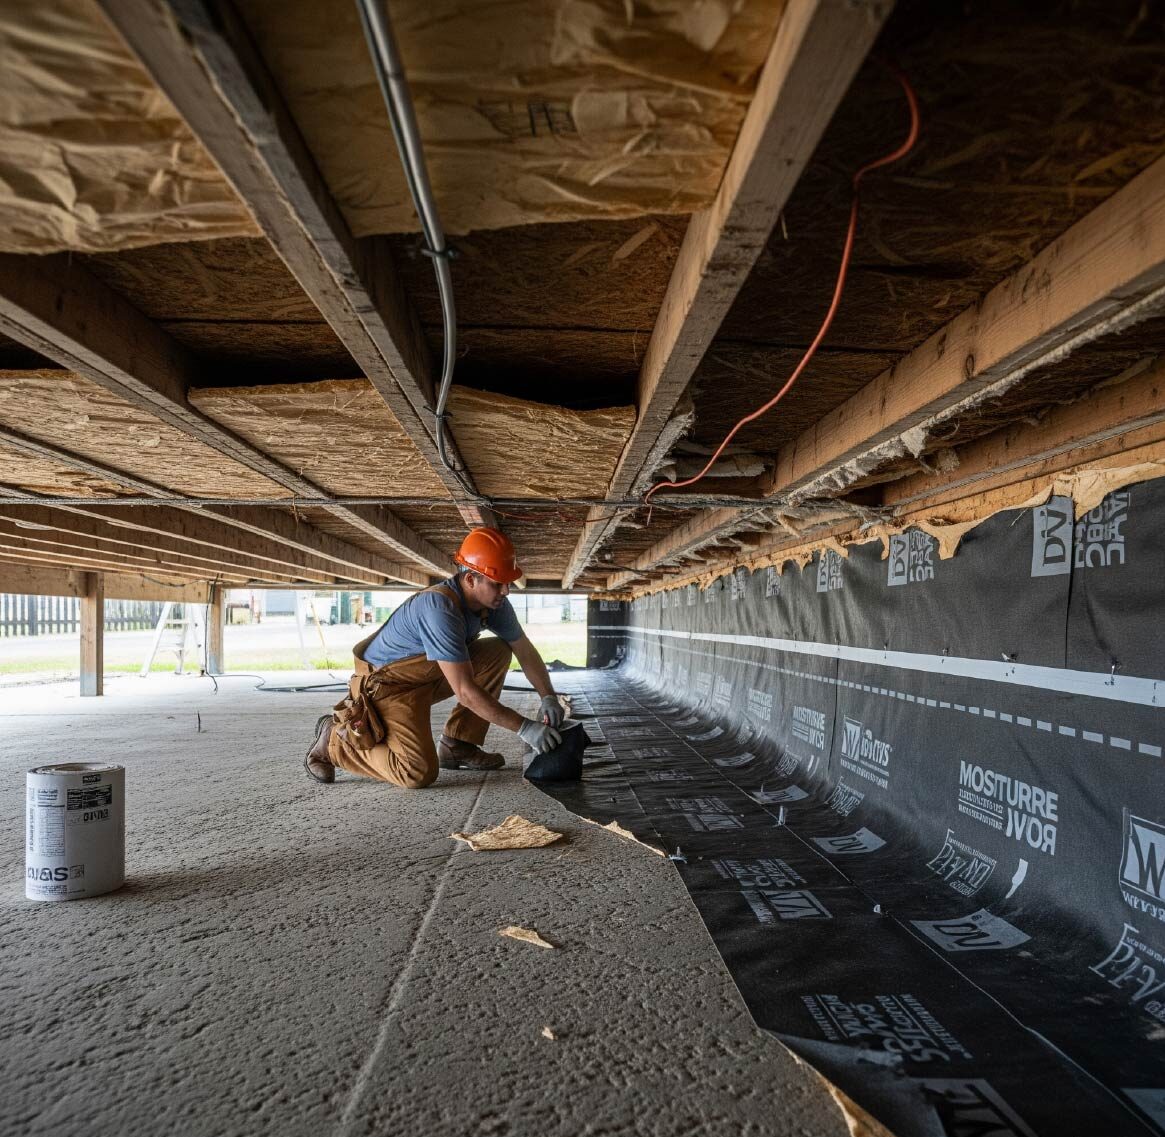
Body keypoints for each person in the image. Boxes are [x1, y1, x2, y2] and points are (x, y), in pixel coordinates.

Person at [303, 527, 564, 789]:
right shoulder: (440, 608)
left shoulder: (494, 605)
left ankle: (458, 743)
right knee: (416, 773)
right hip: (388, 688)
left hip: (427, 677)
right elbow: (465, 691)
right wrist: (525, 727)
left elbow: (524, 650)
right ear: (471, 579)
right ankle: (334, 743)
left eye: (507, 583)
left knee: (497, 650)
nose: (506, 591)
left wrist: (548, 696)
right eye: (498, 583)